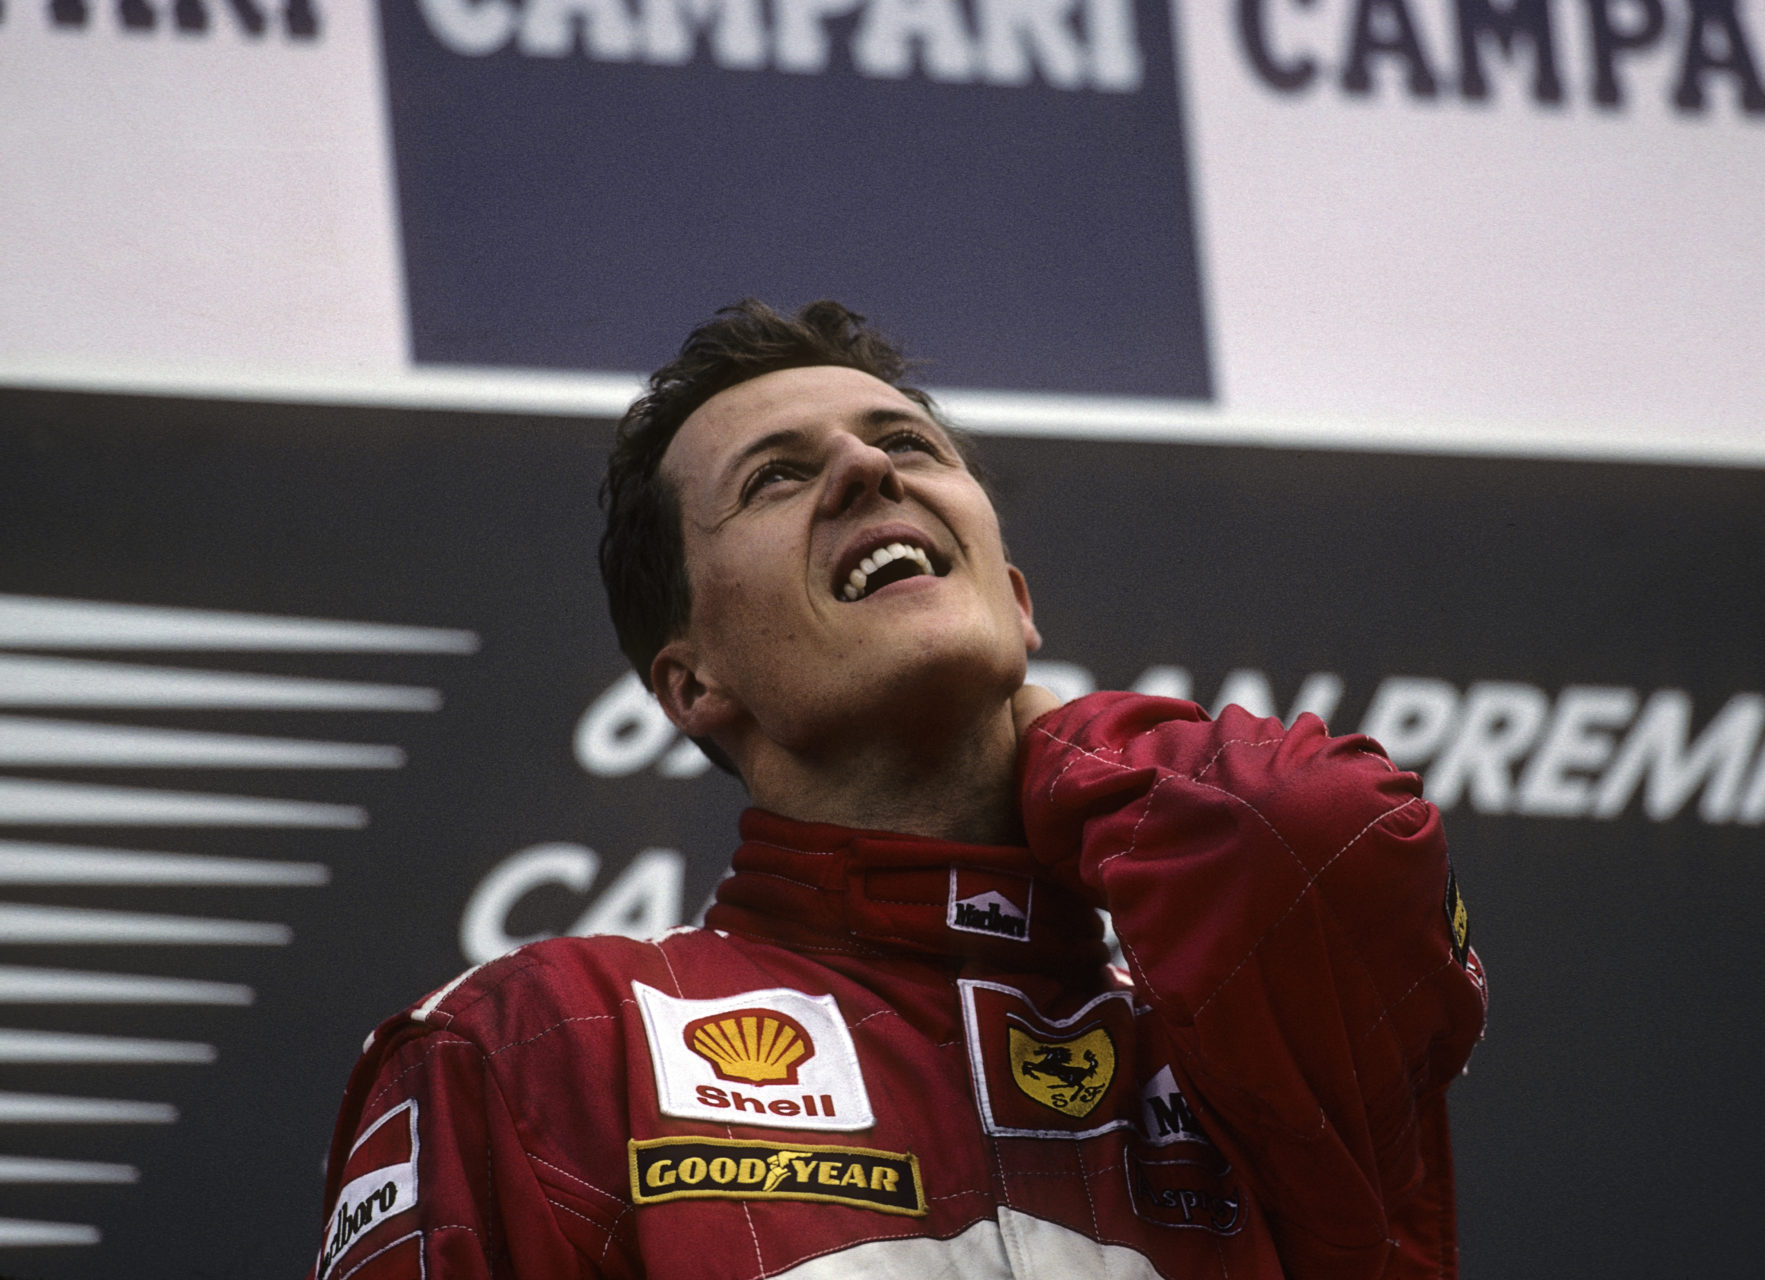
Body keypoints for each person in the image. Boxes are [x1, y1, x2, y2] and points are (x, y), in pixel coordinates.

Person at [306, 300, 1487, 1280]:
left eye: (910, 445)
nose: (869, 467)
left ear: (1013, 597)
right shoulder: (545, 1041)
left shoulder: (1222, 1036)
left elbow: (1325, 838)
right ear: (692, 681)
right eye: (775, 477)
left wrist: (1064, 744)